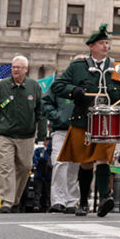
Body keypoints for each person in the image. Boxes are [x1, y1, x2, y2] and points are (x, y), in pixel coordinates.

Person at [52, 24, 120, 217]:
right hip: (84, 120)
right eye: (101, 43)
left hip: (107, 121)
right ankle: (83, 202)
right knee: (86, 162)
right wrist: (74, 91)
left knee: (104, 159)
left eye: (107, 43)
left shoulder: (118, 67)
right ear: (91, 46)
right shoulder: (78, 67)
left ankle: (105, 197)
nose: (106, 47)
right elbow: (58, 86)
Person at [0, 55, 46, 213]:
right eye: (13, 67)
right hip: (5, 135)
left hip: (27, 136)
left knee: (25, 167)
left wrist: (42, 135)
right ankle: (6, 202)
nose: (15, 70)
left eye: (19, 67)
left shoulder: (34, 87)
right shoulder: (1, 86)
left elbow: (41, 112)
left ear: (26, 70)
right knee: (6, 166)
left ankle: (15, 199)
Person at [42, 70, 81, 214]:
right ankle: (58, 200)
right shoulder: (58, 86)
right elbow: (45, 103)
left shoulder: (87, 86)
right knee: (59, 162)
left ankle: (71, 201)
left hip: (79, 129)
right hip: (61, 130)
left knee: (74, 165)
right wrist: (56, 117)